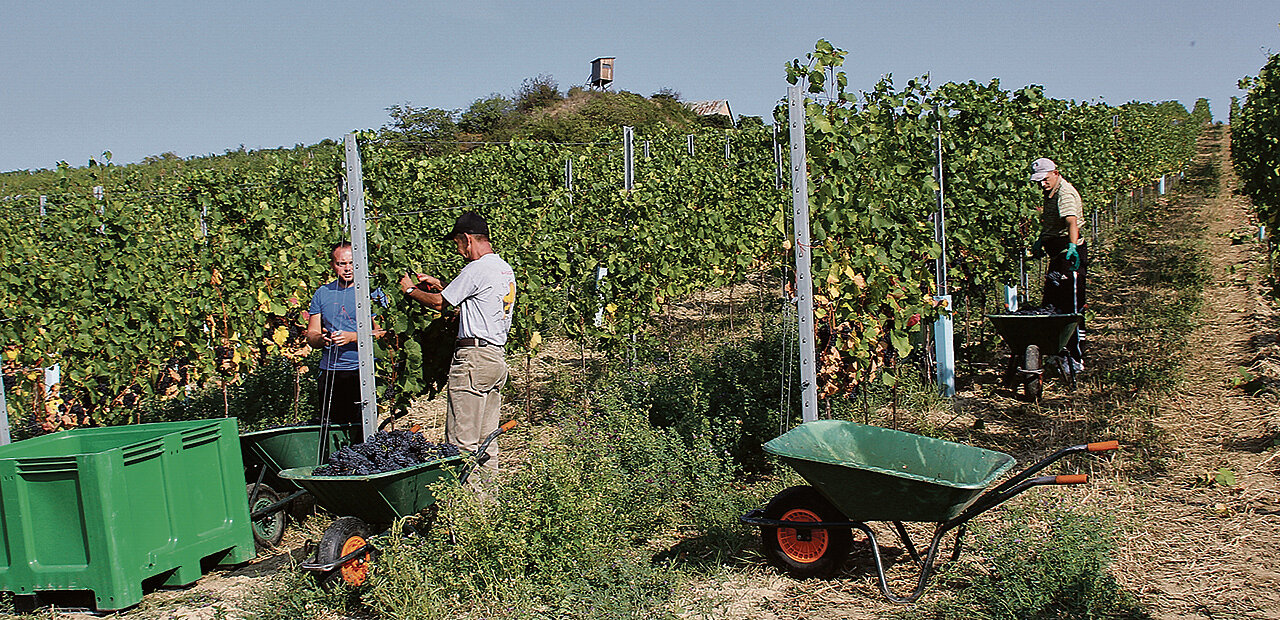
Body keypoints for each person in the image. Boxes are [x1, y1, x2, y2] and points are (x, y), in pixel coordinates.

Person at [399, 211, 515, 478]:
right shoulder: (502, 269)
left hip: (473, 360)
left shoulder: (476, 268)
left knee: (461, 445)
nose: (459, 250)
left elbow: (440, 303)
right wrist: (441, 285)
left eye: (458, 244)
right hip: (495, 359)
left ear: (467, 239)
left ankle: (464, 513)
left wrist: (409, 289)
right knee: (487, 444)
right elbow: (476, 304)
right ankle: (486, 508)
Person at [304, 241, 385, 439]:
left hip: (363, 370)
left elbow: (383, 333)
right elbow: (311, 334)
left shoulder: (371, 292)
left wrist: (354, 337)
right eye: (341, 263)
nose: (347, 268)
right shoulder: (323, 293)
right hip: (331, 372)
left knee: (362, 429)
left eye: (351, 263)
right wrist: (322, 339)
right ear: (333, 265)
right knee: (332, 429)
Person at [1028, 157, 1087, 371]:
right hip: (1056, 255)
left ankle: (1074, 358)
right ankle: (1057, 350)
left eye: (1045, 179)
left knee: (1070, 305)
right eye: (1038, 181)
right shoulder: (1050, 192)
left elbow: (1071, 221)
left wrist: (1072, 247)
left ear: (1055, 173)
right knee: (1051, 303)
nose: (1042, 184)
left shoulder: (1065, 193)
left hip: (1068, 256)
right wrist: (1042, 239)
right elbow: (1053, 223)